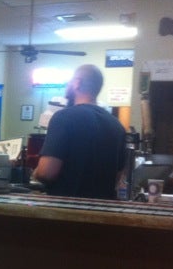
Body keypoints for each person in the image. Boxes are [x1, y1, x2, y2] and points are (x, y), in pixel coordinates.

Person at [33, 64, 126, 199]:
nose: (67, 86)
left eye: (69, 82)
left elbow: (46, 173)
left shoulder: (63, 117)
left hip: (66, 207)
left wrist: (35, 173)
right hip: (102, 209)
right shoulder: (117, 126)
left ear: (77, 83)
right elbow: (117, 178)